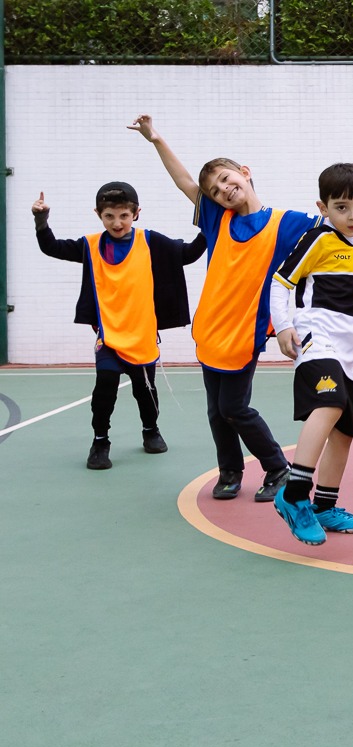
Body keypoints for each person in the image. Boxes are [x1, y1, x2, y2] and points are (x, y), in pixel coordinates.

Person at [130, 114, 320, 502]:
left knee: (234, 407)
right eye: (215, 190)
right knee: (216, 411)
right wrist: (156, 140)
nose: (223, 190)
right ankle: (230, 471)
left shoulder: (288, 223)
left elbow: (333, 234)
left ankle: (277, 466)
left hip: (245, 330)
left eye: (227, 180)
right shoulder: (219, 220)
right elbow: (185, 182)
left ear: (245, 173)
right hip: (211, 329)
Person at [33, 183, 205, 469]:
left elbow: (188, 254)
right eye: (109, 216)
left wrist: (211, 225)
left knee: (145, 390)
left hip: (142, 336)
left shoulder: (150, 242)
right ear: (98, 214)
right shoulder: (89, 245)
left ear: (136, 213)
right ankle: (100, 441)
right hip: (109, 336)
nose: (117, 222)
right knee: (105, 388)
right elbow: (51, 247)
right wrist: (41, 219)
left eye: (124, 215)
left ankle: (151, 430)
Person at [268, 163, 353, 545]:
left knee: (344, 432)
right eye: (342, 207)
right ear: (323, 207)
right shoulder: (316, 239)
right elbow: (281, 281)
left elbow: (344, 291)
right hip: (315, 337)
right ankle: (293, 494)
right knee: (330, 404)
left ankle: (325, 505)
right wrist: (284, 326)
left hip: (349, 348)